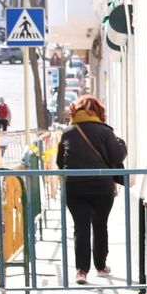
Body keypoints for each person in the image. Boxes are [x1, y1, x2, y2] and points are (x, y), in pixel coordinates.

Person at [55, 95, 126, 284]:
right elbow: (117, 155)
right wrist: (121, 143)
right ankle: (101, 266)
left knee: (81, 228)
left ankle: (81, 271)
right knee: (100, 225)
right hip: (102, 187)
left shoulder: (68, 132)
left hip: (75, 187)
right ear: (99, 112)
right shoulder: (105, 131)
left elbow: (60, 161)